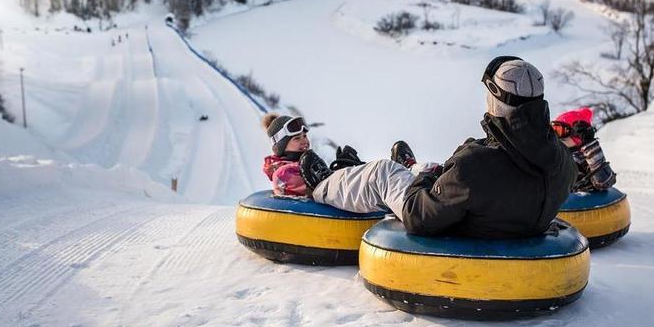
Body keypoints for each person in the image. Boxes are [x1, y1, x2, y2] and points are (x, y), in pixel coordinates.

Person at [296, 56, 577, 239]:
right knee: (434, 169)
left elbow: (419, 217)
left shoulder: (474, 165)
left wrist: (428, 179)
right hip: (503, 219)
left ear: (494, 97)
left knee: (382, 172)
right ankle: (414, 168)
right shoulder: (562, 159)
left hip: (460, 227)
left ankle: (323, 185)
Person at [262, 113, 433, 199]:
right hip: (330, 200)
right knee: (376, 175)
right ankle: (403, 178)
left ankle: (408, 173)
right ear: (282, 146)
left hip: (336, 193)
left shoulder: (303, 164)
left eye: (305, 136)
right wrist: (334, 175)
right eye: (297, 138)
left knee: (377, 170)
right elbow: (316, 189)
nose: (304, 141)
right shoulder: (282, 173)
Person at [551, 107, 616, 192]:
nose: (557, 136)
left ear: (576, 134)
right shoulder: (556, 156)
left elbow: (605, 182)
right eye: (554, 130)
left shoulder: (585, 160)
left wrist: (589, 145)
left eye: (559, 130)